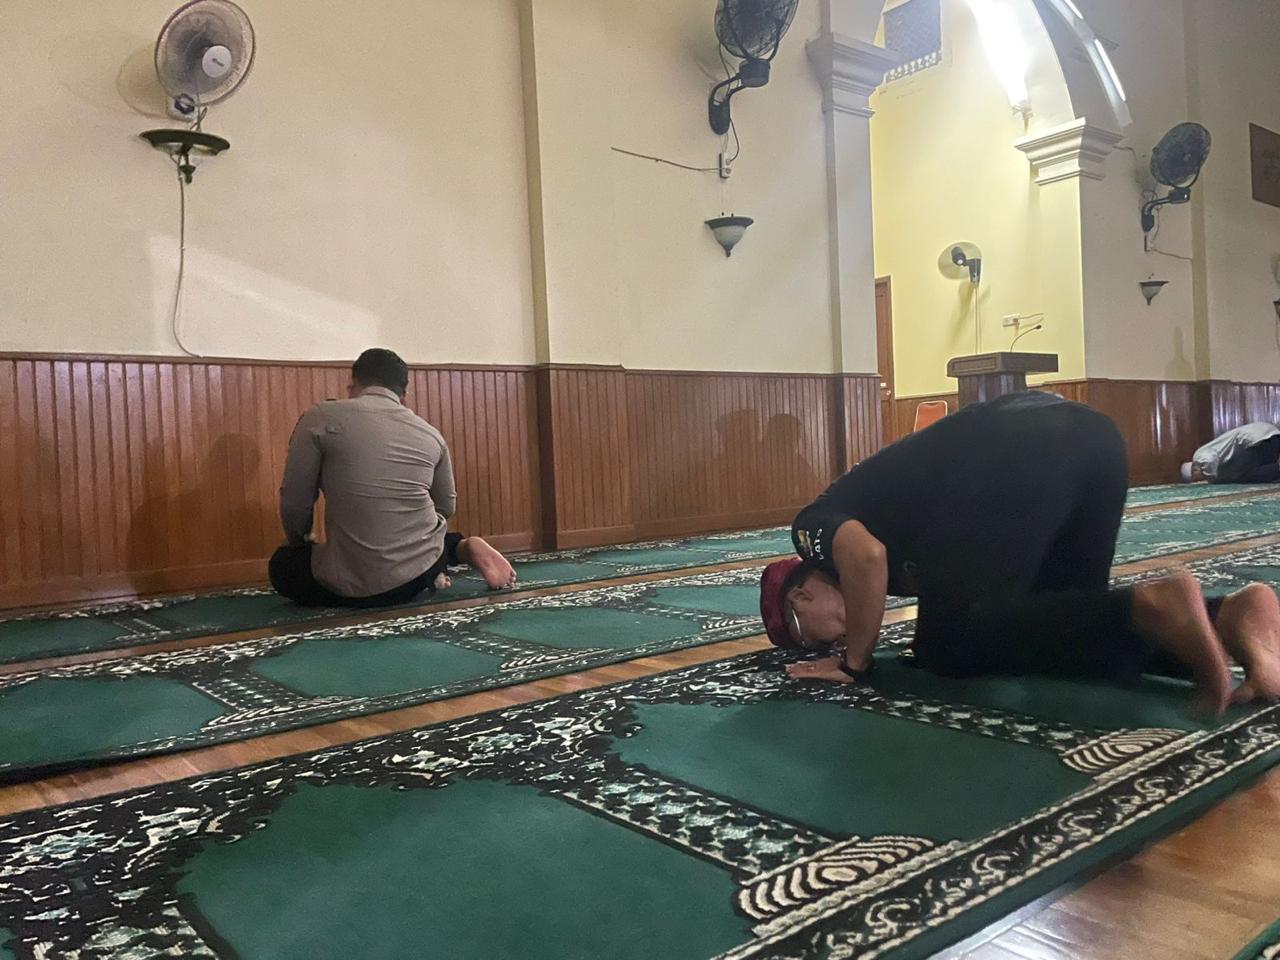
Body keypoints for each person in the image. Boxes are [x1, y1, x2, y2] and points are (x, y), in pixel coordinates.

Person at [758, 391, 1280, 714]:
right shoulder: (902, 543)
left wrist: (854, 664)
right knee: (1068, 628)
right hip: (1095, 440)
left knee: (946, 645)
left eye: (809, 637)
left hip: (1017, 447)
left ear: (800, 597)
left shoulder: (811, 526)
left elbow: (866, 557)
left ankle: (1158, 602)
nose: (828, 641)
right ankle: (1228, 616)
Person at [270, 348, 517, 608]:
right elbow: (446, 507)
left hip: (351, 584)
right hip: (421, 573)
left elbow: (295, 502)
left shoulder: (319, 417)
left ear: (353, 385)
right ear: (403, 394)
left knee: (283, 565)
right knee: (428, 538)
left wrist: (299, 541)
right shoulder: (431, 434)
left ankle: (447, 556)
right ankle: (457, 550)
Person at [1181, 422, 1280, 484]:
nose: (1199, 480)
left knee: (1246, 475)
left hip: (1256, 439)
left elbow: (1210, 459)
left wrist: (1211, 480)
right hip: (1271, 435)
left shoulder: (1198, 456)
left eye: (1196, 479)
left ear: (1195, 469)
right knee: (1261, 472)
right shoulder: (1217, 466)